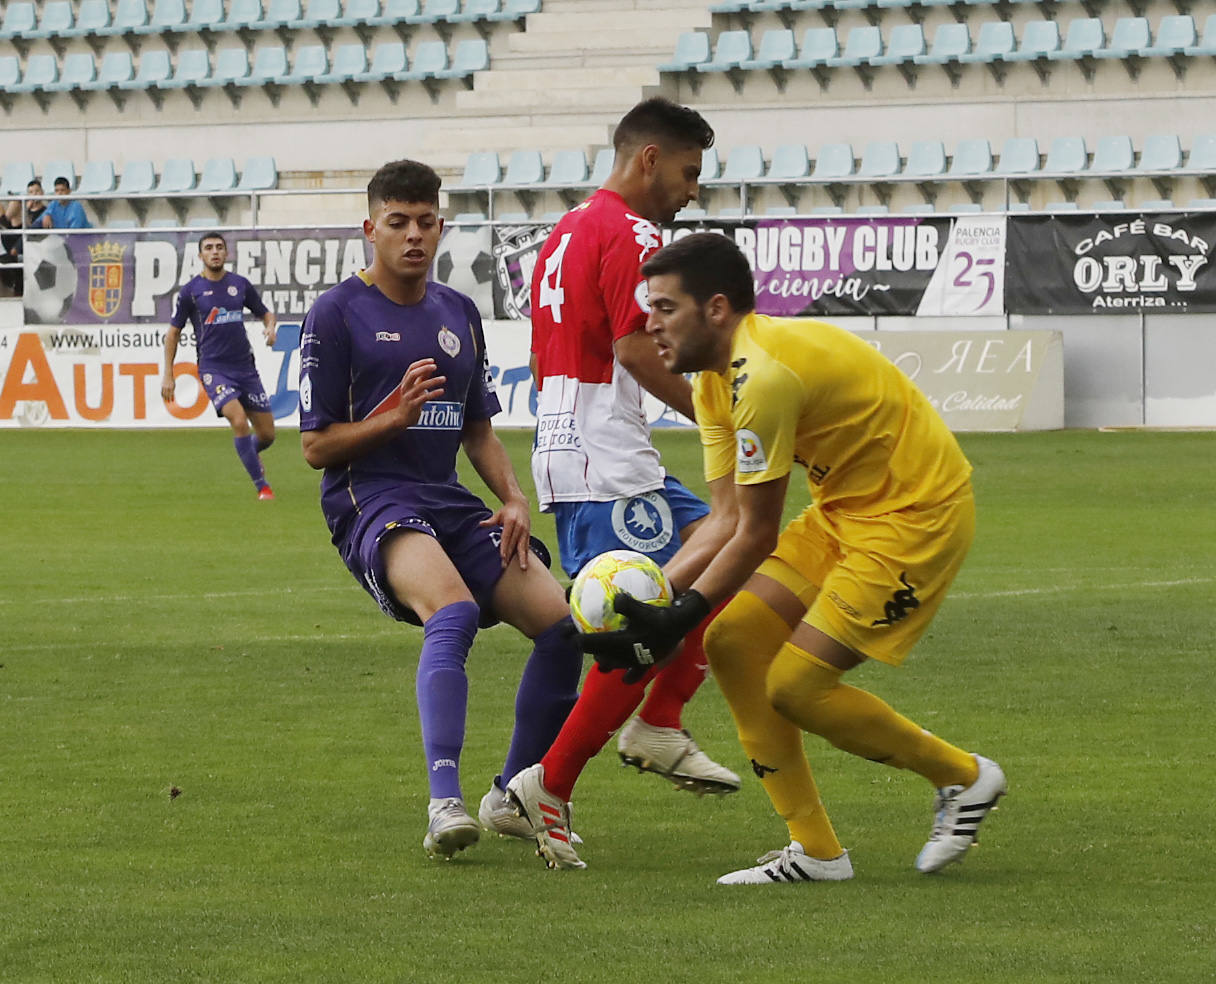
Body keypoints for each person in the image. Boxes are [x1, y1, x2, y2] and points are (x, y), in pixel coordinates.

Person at [580, 231, 1007, 884]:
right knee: (733, 641)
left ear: (716, 309)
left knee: (796, 686)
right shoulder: (713, 386)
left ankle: (964, 777)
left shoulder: (763, 376)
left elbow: (754, 533)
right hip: (845, 511)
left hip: (917, 516)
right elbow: (722, 517)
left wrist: (678, 613)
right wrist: (652, 599)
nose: (649, 323)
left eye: (665, 307)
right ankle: (817, 853)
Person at [298, 159, 584, 862]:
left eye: (426, 221)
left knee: (566, 630)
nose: (414, 235)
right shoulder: (336, 314)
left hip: (448, 497)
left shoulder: (457, 311)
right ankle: (443, 803)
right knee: (451, 613)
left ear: (441, 225)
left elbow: (477, 426)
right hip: (372, 497)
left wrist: (513, 498)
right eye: (398, 222)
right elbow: (315, 446)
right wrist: (392, 418)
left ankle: (513, 793)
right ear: (371, 229)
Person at [504, 97, 740, 871]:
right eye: (688, 170)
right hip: (608, 456)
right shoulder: (633, 234)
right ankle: (553, 782)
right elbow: (638, 352)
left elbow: (547, 356)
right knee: (633, 624)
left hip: (569, 441)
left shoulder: (565, 231)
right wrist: (724, 418)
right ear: (649, 159)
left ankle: (651, 725)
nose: (692, 189)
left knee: (733, 545)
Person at [161, 232, 279, 499]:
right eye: (208, 248)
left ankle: (249, 451)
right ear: (200, 255)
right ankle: (263, 486)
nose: (214, 252)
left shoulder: (240, 284)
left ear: (227, 253)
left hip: (246, 368)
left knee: (268, 435)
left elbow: (265, 312)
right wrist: (168, 374)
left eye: (219, 247)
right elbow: (173, 333)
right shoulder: (191, 292)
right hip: (214, 369)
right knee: (238, 420)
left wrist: (270, 327)